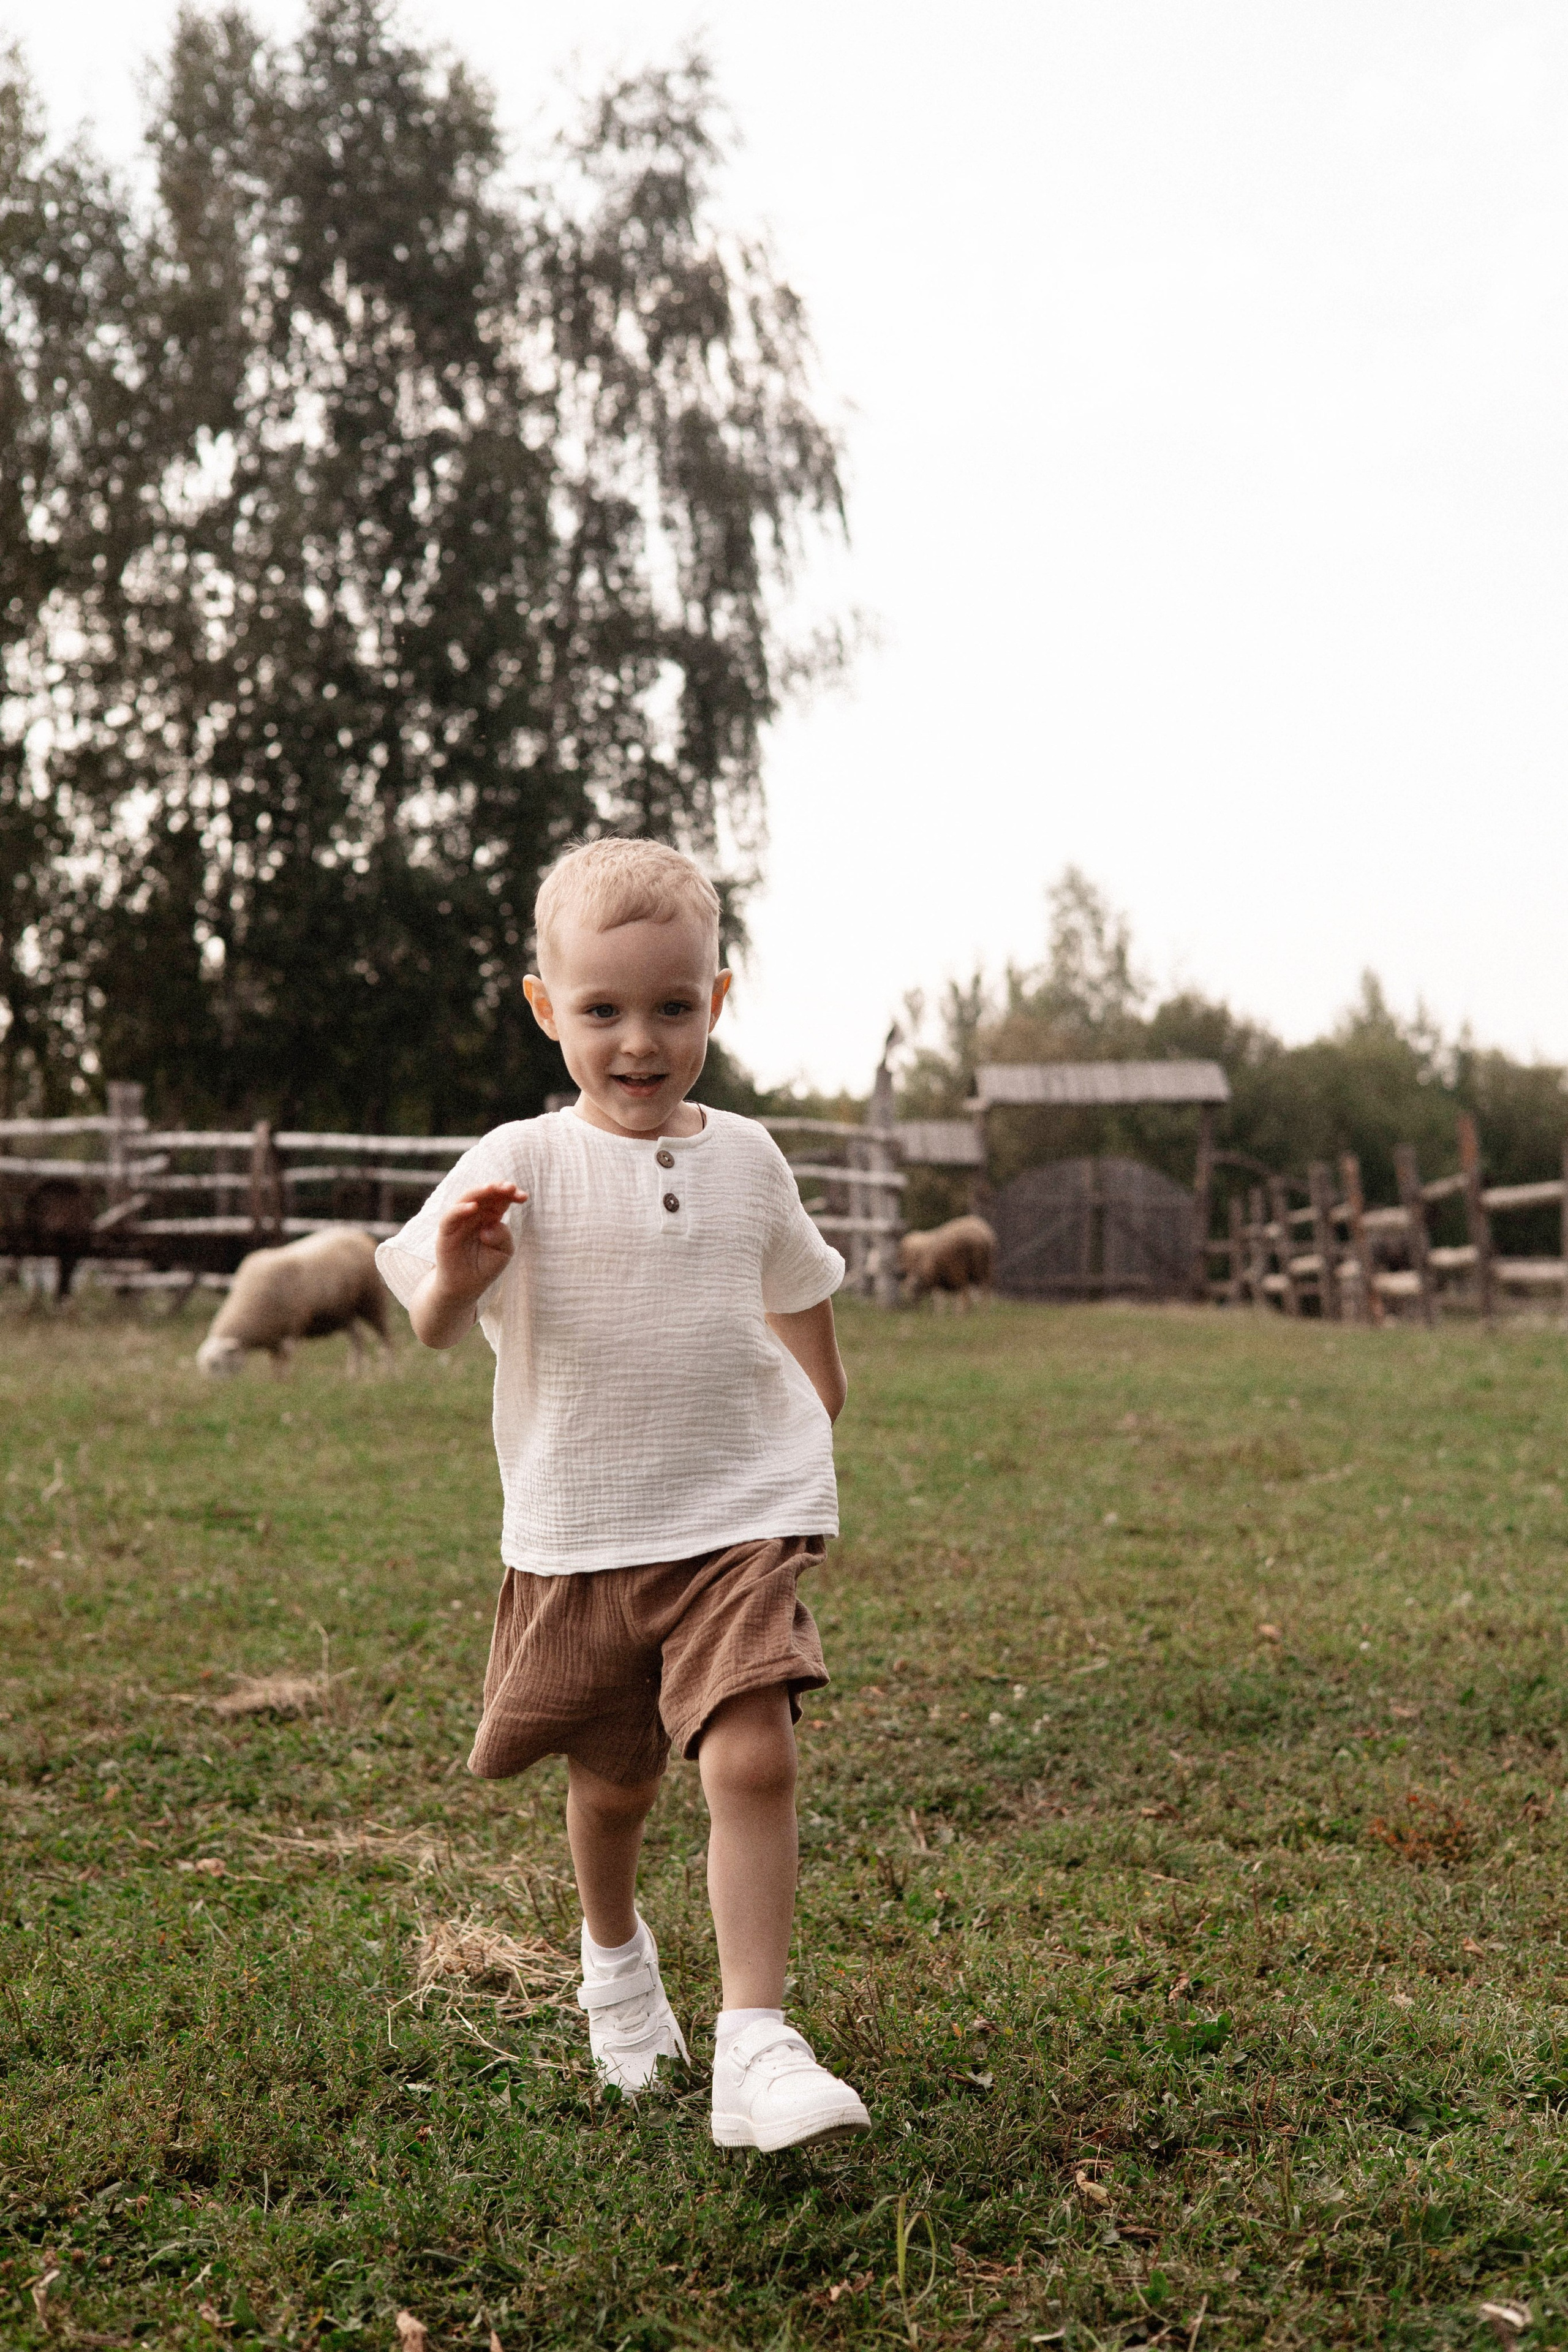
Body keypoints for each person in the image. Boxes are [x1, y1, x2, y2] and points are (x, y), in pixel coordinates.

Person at [376, 838, 871, 2153]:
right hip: (583, 1529)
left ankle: (753, 2043)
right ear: (547, 1009)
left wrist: (814, 1417)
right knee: (613, 1787)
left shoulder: (750, 1156)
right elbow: (428, 1327)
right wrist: (458, 1275)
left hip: (733, 1521)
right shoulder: (516, 1156)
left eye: (668, 1008)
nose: (637, 1042)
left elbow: (796, 1279)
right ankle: (613, 1963)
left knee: (753, 1752)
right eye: (600, 1012)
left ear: (715, 999)